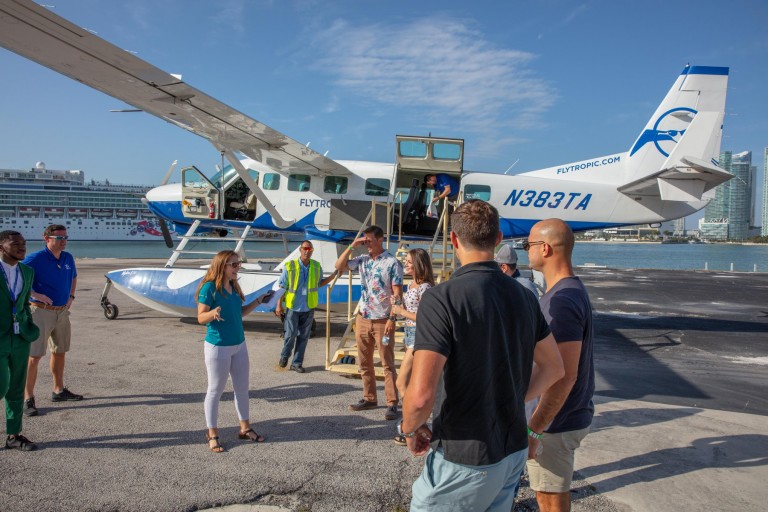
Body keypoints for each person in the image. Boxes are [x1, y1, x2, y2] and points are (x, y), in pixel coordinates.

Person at [401, 200, 565, 511]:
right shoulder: (525, 296)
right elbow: (554, 367)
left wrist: (409, 429)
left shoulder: (442, 299)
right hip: (511, 450)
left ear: (453, 239)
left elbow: (421, 396)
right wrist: (512, 396)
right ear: (498, 238)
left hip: (464, 455)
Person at [524, 218, 595, 512]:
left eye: (528, 245)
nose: (525, 250)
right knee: (548, 494)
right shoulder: (568, 291)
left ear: (545, 248)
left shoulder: (562, 300)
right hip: (560, 420)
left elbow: (564, 375)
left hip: (555, 424)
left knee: (550, 498)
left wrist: (535, 430)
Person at [196, 250, 274, 452]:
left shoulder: (233, 286)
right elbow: (201, 318)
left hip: (239, 344)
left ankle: (244, 428)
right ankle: (212, 434)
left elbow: (239, 313)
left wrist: (259, 301)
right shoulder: (209, 288)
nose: (237, 267)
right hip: (218, 346)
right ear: (222, 266)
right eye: (234, 265)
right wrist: (212, 313)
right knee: (215, 391)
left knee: (242, 388)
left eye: (238, 264)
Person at [335, 225, 403, 420]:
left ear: (380, 240)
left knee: (387, 363)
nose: (366, 245)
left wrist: (393, 317)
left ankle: (392, 403)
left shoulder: (392, 263)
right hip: (363, 317)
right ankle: (369, 398)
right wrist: (352, 246)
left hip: (383, 319)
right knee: (364, 362)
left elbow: (397, 293)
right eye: (364, 241)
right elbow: (339, 266)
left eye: (369, 241)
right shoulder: (362, 260)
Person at [23, 224, 81, 417]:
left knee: (60, 351)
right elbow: (17, 278)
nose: (63, 241)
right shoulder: (34, 259)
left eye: (65, 237)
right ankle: (28, 398)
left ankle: (58, 390)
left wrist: (71, 297)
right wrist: (34, 293)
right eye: (59, 238)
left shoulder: (67, 258)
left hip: (61, 312)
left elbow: (73, 277)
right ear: (46, 238)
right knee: (34, 356)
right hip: (40, 312)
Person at [390, 248, 434, 445]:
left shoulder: (425, 288)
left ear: (418, 264)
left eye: (408, 262)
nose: (405, 264)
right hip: (409, 334)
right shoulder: (411, 285)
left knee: (401, 382)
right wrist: (398, 305)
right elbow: (409, 312)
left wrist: (401, 310)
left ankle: (414, 421)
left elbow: (425, 319)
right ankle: (416, 421)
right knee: (407, 383)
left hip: (418, 336)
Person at [0, 231, 40, 451]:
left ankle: (14, 435)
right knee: (1, 386)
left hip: (20, 336)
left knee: (16, 388)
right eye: (15, 244)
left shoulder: (27, 271)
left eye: (24, 244)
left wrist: (28, 324)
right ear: (1, 247)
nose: (22, 247)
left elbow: (24, 303)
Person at [275, 240, 338, 373]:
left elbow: (319, 283)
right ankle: (284, 356)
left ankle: (296, 363)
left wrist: (333, 276)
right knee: (290, 335)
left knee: (304, 337)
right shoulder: (290, 266)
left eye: (310, 249)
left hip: (308, 307)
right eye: (305, 248)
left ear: (312, 251)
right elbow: (282, 287)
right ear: (300, 249)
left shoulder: (316, 266)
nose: (307, 251)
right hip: (293, 306)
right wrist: (278, 305)